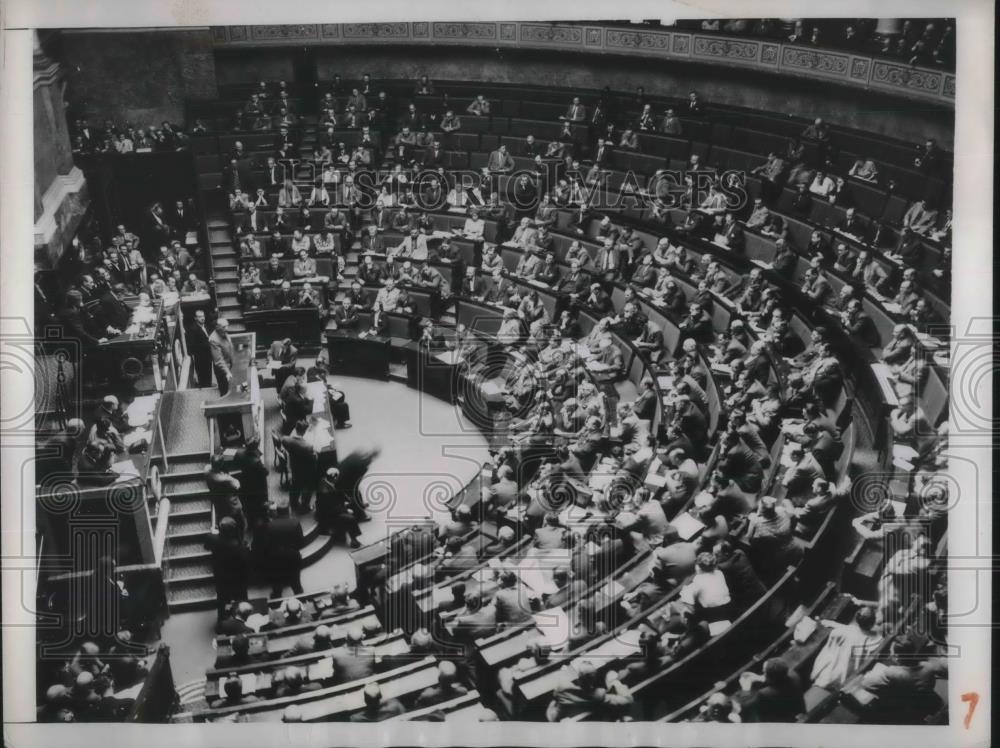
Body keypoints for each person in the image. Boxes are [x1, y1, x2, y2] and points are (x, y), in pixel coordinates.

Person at [809, 607, 883, 690]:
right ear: (872, 623)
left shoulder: (841, 632)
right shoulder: (876, 640)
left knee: (831, 656)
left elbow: (849, 632)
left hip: (832, 673)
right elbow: (857, 632)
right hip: (849, 675)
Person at [545, 661, 634, 721]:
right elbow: (628, 701)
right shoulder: (600, 695)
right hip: (594, 717)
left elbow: (553, 714)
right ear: (594, 679)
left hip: (564, 719)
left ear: (579, 677)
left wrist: (554, 702)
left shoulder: (562, 689)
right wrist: (616, 683)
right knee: (611, 675)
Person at [204, 517, 251, 622]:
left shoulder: (213, 539)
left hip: (222, 577)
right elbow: (246, 564)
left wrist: (213, 533)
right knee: (242, 600)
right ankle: (244, 621)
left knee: (222, 600)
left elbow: (206, 546)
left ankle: (221, 621)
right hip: (238, 579)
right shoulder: (240, 548)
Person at [258, 504, 304, 598]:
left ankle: (276, 603)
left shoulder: (270, 525)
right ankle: (301, 600)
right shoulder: (295, 522)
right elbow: (301, 542)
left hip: (276, 557)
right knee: (296, 583)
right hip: (292, 556)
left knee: (277, 584)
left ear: (277, 512)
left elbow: (266, 544)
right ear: (289, 510)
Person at [315, 467, 362, 547]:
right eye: (338, 477)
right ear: (334, 477)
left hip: (334, 507)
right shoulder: (325, 492)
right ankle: (354, 540)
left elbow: (338, 492)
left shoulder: (326, 481)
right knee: (350, 518)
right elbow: (330, 509)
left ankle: (342, 532)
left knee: (354, 502)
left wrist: (347, 499)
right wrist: (346, 509)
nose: (339, 478)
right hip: (327, 515)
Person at [279, 419, 318, 512]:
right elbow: (314, 459)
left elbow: (283, 441)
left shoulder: (286, 439)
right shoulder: (308, 446)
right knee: (310, 486)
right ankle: (305, 506)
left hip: (294, 468)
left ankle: (294, 504)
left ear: (295, 429)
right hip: (305, 471)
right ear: (305, 431)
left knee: (295, 486)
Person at [209, 318, 235, 395]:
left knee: (231, 388)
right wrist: (227, 372)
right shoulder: (213, 339)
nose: (227, 329)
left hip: (229, 366)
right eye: (224, 327)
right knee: (225, 391)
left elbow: (230, 347)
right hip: (222, 371)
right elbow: (218, 360)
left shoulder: (223, 333)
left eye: (227, 326)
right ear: (217, 327)